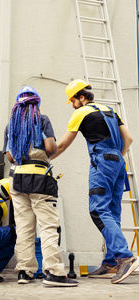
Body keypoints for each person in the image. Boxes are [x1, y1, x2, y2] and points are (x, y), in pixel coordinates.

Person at [51, 79, 139, 284]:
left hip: (102, 161)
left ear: (82, 97)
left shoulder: (80, 113)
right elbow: (129, 139)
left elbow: (62, 145)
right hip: (118, 162)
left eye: (73, 100)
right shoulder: (110, 110)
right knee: (112, 211)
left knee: (98, 210)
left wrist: (44, 160)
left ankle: (125, 257)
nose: (72, 105)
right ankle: (111, 262)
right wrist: (117, 157)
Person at [4, 85, 78, 287]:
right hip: (40, 179)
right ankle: (53, 272)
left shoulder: (11, 125)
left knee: (24, 228)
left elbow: (10, 156)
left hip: (17, 180)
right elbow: (51, 147)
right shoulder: (41, 119)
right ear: (36, 103)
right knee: (47, 227)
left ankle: (24, 272)